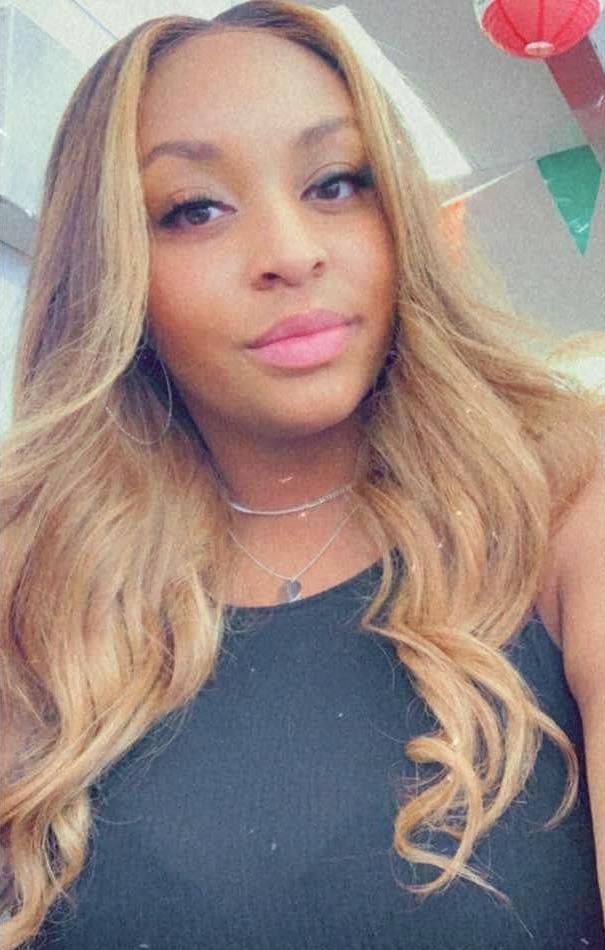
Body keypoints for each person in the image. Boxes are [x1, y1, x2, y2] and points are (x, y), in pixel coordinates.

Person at [0, 1, 604, 947]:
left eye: (335, 184)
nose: (289, 253)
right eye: (195, 210)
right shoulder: (28, 578)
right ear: (109, 269)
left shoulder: (568, 499)